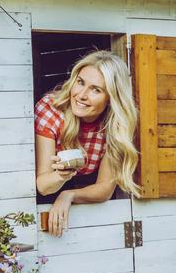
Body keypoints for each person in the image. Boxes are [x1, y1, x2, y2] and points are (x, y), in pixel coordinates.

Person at [35, 50, 140, 237]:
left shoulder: (114, 125)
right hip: (46, 194)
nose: (81, 95)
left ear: (111, 98)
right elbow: (43, 185)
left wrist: (70, 195)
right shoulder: (51, 109)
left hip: (80, 195)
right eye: (80, 82)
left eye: (96, 90)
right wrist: (61, 176)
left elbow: (105, 189)